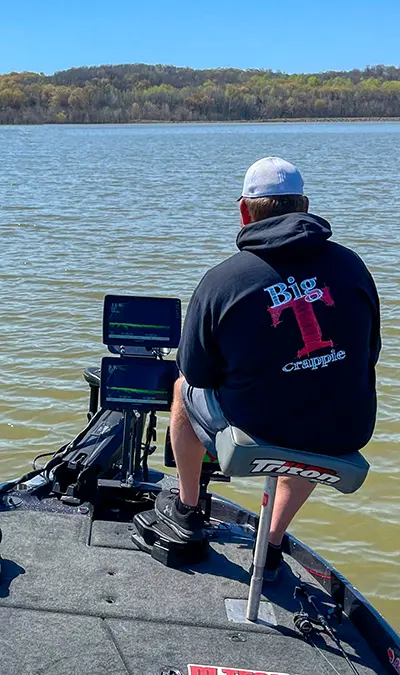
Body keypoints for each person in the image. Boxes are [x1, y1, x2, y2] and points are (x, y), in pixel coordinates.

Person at [156, 157, 381, 575]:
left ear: (244, 211)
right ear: (306, 205)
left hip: (259, 429)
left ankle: (187, 510)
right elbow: (370, 355)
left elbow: (199, 374)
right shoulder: (353, 267)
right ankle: (272, 539)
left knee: (181, 389)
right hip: (342, 430)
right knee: (322, 398)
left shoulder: (224, 280)